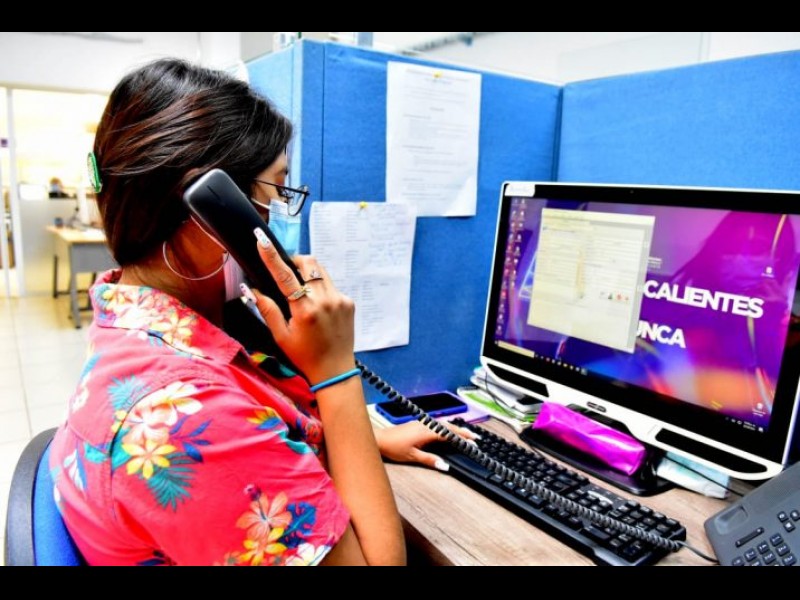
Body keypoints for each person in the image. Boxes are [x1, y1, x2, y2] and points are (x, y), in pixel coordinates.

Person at [49, 58, 472, 566]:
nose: (278, 219)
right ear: (209, 211)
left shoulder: (134, 325)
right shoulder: (187, 418)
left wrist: (363, 440)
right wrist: (336, 370)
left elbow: (255, 438)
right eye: (275, 192)